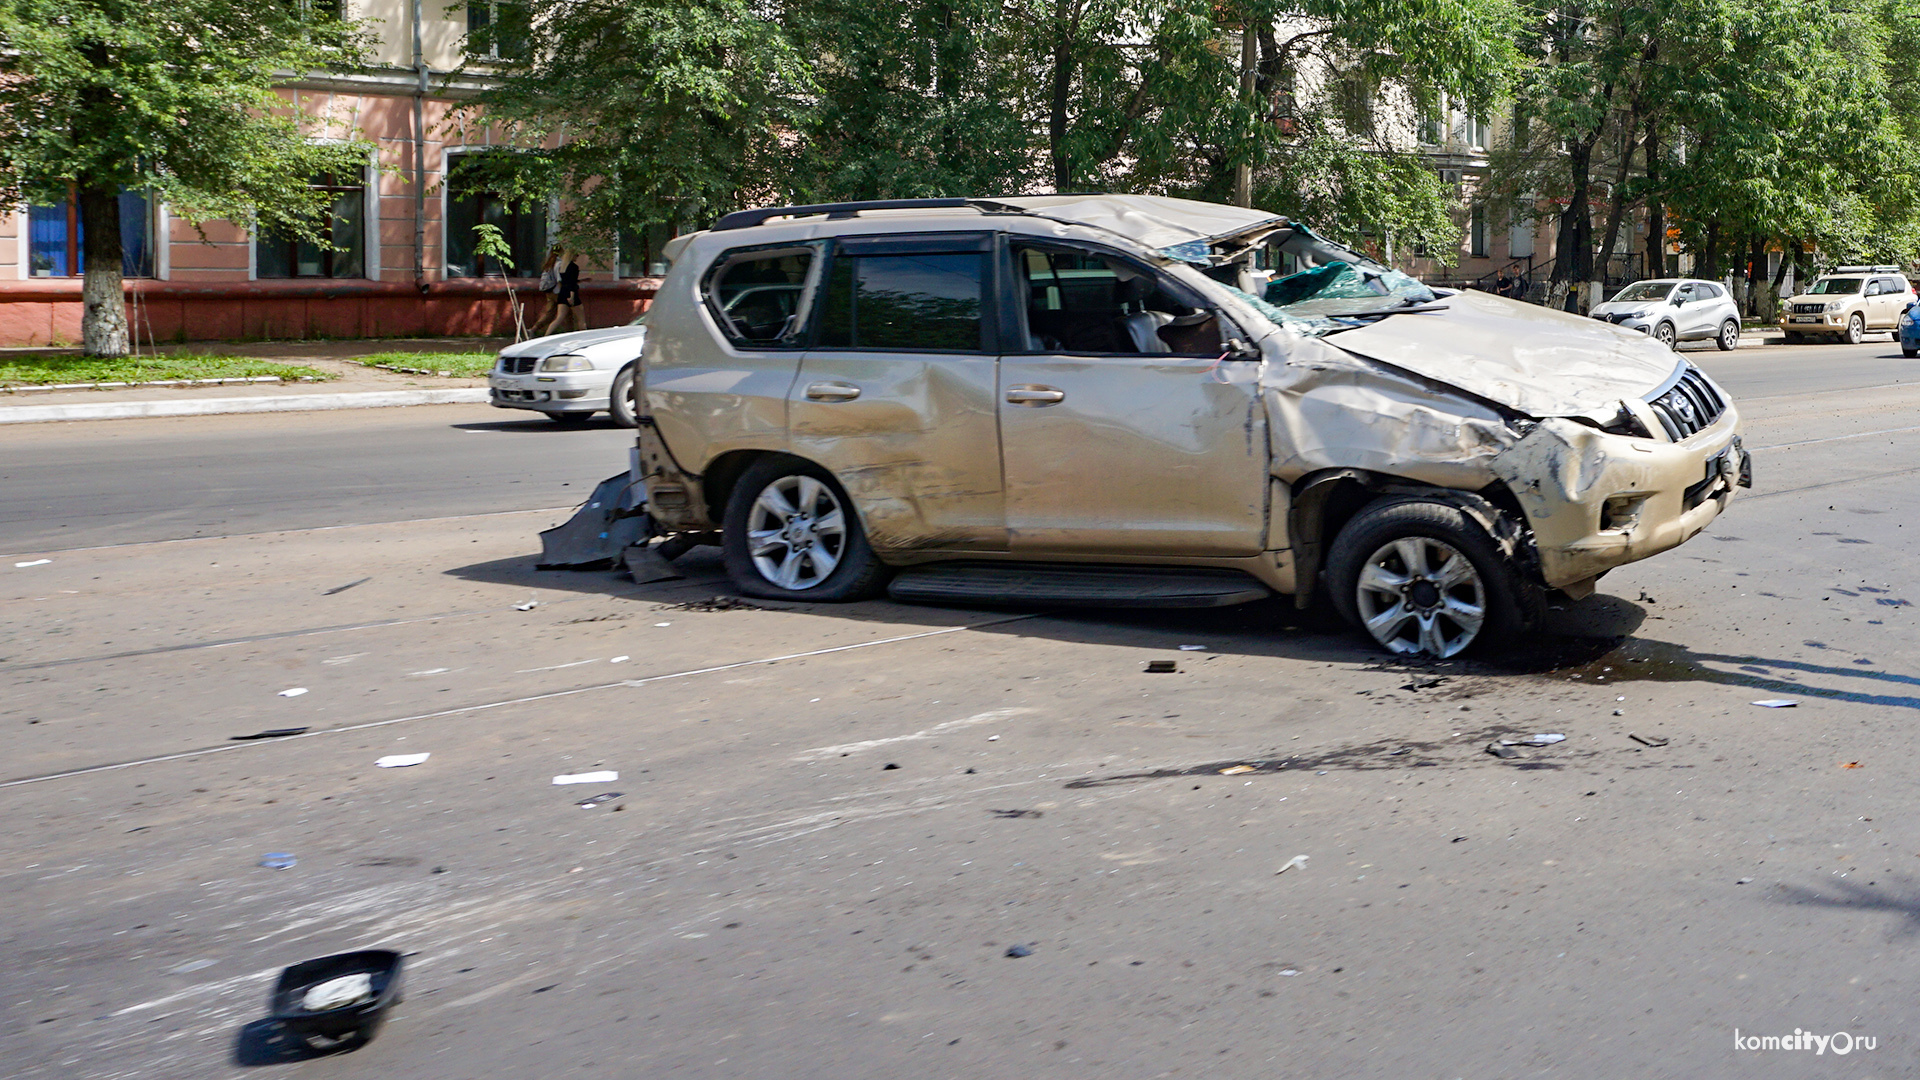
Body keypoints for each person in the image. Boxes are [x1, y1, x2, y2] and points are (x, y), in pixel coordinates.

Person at [527, 246, 565, 337]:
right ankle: (567, 333)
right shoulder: (559, 264)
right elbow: (559, 280)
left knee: (550, 314)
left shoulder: (548, 263)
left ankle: (533, 329)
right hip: (557, 292)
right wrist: (563, 292)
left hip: (549, 292)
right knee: (565, 313)